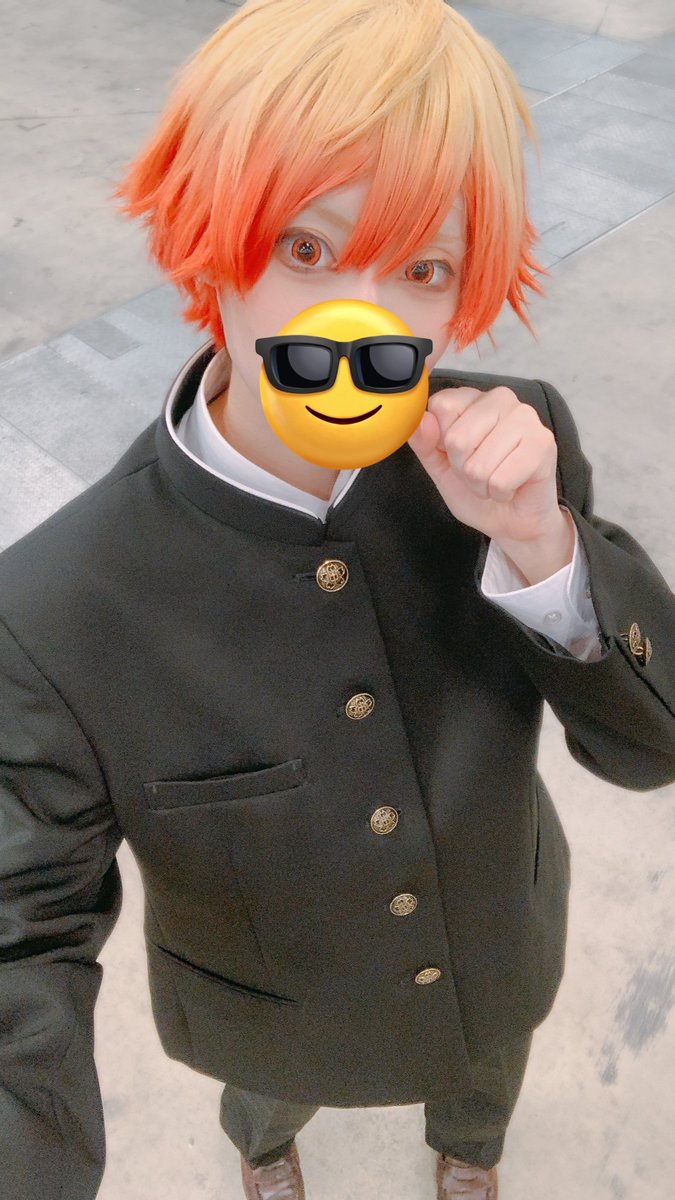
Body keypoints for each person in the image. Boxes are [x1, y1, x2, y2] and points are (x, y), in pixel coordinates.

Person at [1, 2, 673, 1198]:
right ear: (214, 240)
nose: (360, 318)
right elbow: (21, 939)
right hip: (273, 1015)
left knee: (487, 1072)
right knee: (269, 1102)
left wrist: (540, 543)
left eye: (423, 269)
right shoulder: (58, 603)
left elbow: (650, 745)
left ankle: (470, 1157)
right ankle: (267, 1156)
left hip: (496, 939)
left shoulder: (519, 444)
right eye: (305, 250)